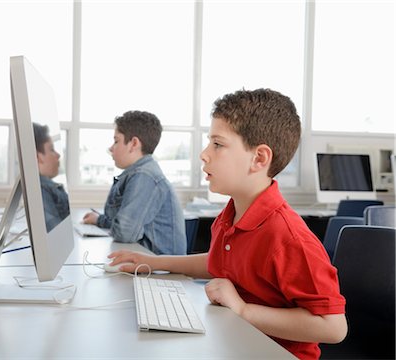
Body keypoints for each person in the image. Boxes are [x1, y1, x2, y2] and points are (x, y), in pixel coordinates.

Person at [106, 89, 347, 359]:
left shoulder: (287, 236)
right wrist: (154, 262)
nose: (204, 154)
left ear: (259, 158)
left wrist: (243, 310)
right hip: (235, 343)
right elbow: (217, 262)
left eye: (217, 144)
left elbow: (333, 327)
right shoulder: (231, 214)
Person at [82, 110, 186, 255]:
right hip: (146, 261)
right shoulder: (137, 173)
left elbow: (124, 232)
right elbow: (118, 223)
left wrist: (100, 220)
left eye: (116, 141)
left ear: (133, 144)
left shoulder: (145, 176)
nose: (111, 148)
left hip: (161, 272)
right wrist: (99, 220)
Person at [33, 122, 70, 232]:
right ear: (37, 156)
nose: (58, 155)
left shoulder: (47, 186)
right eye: (51, 149)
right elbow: (56, 232)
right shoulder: (41, 189)